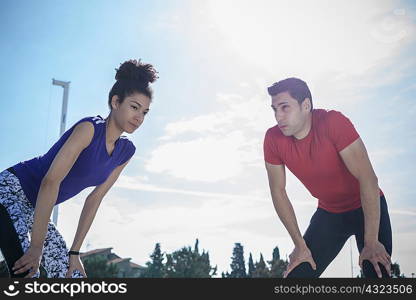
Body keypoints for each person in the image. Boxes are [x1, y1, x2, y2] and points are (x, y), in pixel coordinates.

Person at [0, 59, 158, 278]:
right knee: (28, 271)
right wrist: (36, 247)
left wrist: (74, 252)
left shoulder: (125, 151)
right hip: (9, 192)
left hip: (35, 208)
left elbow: (94, 199)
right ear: (115, 102)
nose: (139, 118)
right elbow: (50, 182)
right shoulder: (89, 129)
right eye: (134, 107)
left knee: (72, 276)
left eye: (145, 112)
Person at [263, 78, 392, 278]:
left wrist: (372, 241)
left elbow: (368, 179)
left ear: (306, 105)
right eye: (274, 109)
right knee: (297, 277)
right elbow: (278, 191)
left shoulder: (333, 122)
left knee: (376, 273)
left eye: (284, 107)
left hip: (367, 206)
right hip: (330, 214)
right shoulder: (273, 139)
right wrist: (300, 245)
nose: (278, 116)